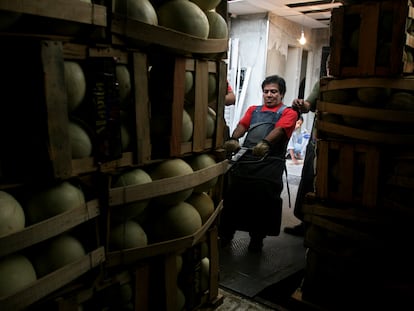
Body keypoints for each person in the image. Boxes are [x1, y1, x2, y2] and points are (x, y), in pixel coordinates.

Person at [220, 75, 299, 252]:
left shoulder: (288, 113)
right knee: (233, 197)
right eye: (266, 91)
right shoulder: (253, 110)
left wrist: (266, 143)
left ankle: (257, 239)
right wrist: (234, 138)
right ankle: (226, 235)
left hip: (269, 165)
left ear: (281, 94)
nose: (269, 95)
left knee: (262, 202)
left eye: (274, 92)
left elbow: (279, 130)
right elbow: (242, 125)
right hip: (247, 161)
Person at [283, 80, 320, 236]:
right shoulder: (324, 84)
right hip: (318, 140)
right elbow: (308, 105)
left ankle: (320, 225)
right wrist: (300, 104)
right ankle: (306, 223)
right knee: (308, 180)